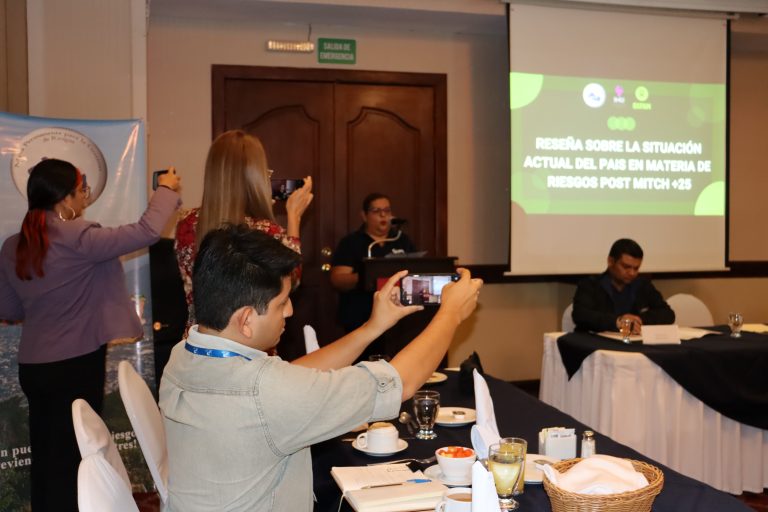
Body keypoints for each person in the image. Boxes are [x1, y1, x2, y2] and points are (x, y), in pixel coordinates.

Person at [159, 225, 482, 511]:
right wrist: (450, 314)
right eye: (281, 302)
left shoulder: (184, 356)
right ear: (245, 319)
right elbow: (401, 382)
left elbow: (291, 377)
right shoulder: (269, 394)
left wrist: (371, 328)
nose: (289, 311)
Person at [0, 158, 181, 512]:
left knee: (47, 457)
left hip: (33, 368)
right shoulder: (79, 238)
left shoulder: (13, 246)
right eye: (82, 190)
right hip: (75, 365)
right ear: (65, 198)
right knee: (77, 458)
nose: (85, 197)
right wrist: (166, 188)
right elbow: (147, 231)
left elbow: (9, 309)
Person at [174, 129, 313, 329]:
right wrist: (294, 217)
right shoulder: (266, 230)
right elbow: (292, 279)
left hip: (198, 339)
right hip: (249, 339)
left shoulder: (186, 223)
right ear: (255, 176)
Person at [330, 193, 416, 334]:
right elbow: (337, 279)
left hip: (398, 316)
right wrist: (369, 275)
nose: (383, 215)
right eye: (376, 211)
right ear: (364, 216)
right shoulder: (351, 242)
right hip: (361, 316)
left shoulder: (402, 240)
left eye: (387, 210)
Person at [572, 238, 675, 333]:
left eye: (636, 268)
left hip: (633, 341)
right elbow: (580, 315)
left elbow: (668, 314)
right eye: (626, 267)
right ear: (610, 261)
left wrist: (637, 320)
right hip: (597, 342)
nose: (632, 273)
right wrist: (618, 321)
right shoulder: (590, 284)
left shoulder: (643, 285)